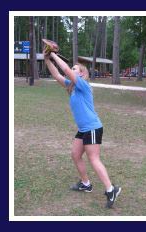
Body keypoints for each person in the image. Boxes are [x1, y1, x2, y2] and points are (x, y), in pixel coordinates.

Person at [43, 48, 121, 208]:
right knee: (75, 155)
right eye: (71, 68)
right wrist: (47, 60)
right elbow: (57, 75)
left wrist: (53, 55)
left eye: (74, 69)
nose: (70, 70)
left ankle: (111, 189)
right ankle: (86, 184)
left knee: (93, 159)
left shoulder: (83, 85)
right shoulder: (71, 86)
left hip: (92, 127)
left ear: (81, 74)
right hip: (84, 129)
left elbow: (63, 69)